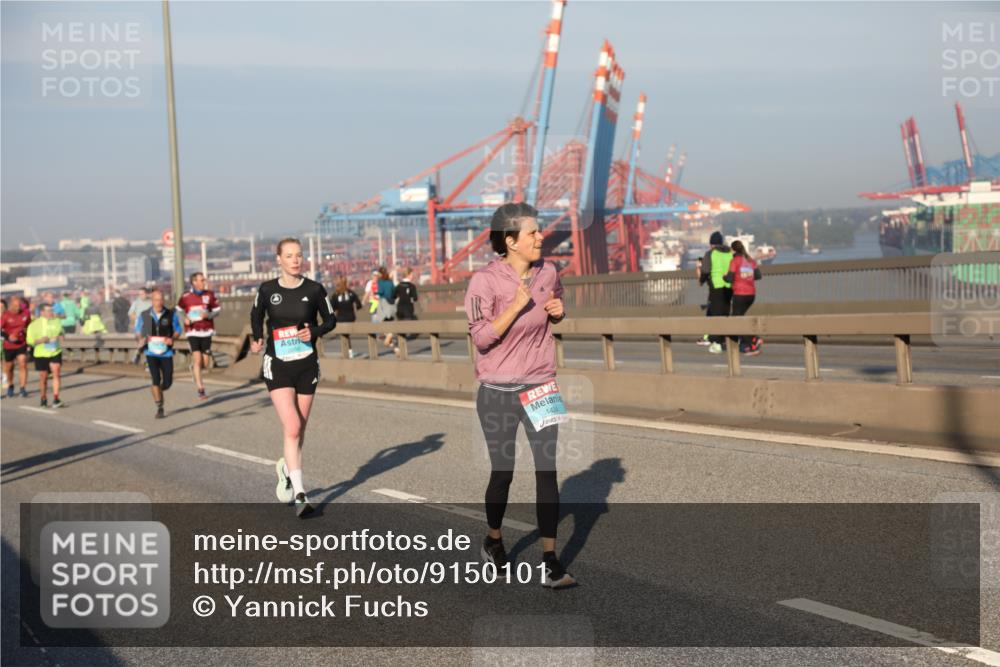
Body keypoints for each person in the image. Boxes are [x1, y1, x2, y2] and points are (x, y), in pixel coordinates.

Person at [464, 202, 574, 589]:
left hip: (541, 385)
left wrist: (559, 311)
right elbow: (481, 337)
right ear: (510, 242)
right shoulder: (484, 282)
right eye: (532, 233)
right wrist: (514, 307)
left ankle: (550, 559)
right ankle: (493, 539)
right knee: (503, 473)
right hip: (497, 392)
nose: (540, 237)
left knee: (548, 472)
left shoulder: (549, 272)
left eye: (538, 231)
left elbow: (555, 302)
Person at [250, 238, 337, 518]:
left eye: (299, 255)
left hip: (307, 365)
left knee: (300, 428)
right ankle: (301, 494)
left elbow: (331, 320)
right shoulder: (267, 289)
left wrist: (314, 332)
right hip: (277, 364)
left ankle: (286, 468)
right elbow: (256, 314)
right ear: (279, 259)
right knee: (292, 426)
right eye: (289, 256)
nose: (295, 260)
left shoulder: (314, 289)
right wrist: (257, 338)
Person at [135, 289, 183, 419]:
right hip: (151, 353)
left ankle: (158, 391)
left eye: (161, 300)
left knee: (167, 382)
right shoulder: (145, 315)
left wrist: (172, 338)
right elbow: (138, 331)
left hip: (166, 352)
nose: (159, 302)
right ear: (152, 301)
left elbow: (178, 330)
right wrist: (141, 339)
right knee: (155, 379)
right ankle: (159, 407)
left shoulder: (170, 314)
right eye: (156, 300)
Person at [178, 272, 222, 400]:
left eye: (204, 280)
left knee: (205, 363)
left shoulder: (209, 295)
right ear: (194, 282)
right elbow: (179, 310)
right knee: (198, 360)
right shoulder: (186, 296)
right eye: (201, 280)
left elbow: (217, 310)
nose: (204, 282)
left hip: (206, 331)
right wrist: (184, 319)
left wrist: (207, 315)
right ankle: (200, 389)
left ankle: (195, 369)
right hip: (192, 331)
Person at [724, 240, 763, 356]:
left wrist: (724, 277)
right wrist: (746, 277)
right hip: (751, 295)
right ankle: (747, 342)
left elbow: (729, 279)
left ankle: (752, 341)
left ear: (733, 250)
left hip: (740, 294)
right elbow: (758, 276)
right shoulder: (750, 260)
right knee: (740, 318)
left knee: (737, 320)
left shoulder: (735, 261)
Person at [698, 231, 734, 354]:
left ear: (711, 244)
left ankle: (718, 343)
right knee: (725, 313)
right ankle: (723, 340)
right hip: (729, 286)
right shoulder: (730, 253)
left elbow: (706, 270)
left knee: (716, 315)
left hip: (716, 286)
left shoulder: (710, 253)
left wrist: (701, 280)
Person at [26, 302, 65, 407]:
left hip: (55, 351)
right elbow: (29, 341)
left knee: (56, 372)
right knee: (43, 377)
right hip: (41, 353)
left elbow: (61, 332)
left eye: (52, 310)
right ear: (42, 312)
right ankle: (43, 398)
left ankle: (56, 399)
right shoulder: (34, 325)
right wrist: (41, 340)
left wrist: (61, 336)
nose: (51, 312)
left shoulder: (57, 321)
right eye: (48, 311)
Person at [1, 295, 31, 398]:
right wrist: (8, 336)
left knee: (22, 362)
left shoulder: (25, 314)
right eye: (16, 306)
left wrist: (28, 338)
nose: (18, 308)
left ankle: (23, 388)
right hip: (9, 345)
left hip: (21, 344)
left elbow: (29, 327)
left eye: (19, 306)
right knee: (9, 368)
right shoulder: (5, 316)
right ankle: (10, 385)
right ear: (11, 306)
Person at [331, 276, 362, 358]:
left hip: (341, 318)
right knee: (346, 335)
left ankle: (347, 351)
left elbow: (332, 308)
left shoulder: (336, 295)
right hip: (351, 317)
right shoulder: (351, 293)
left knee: (344, 335)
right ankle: (349, 351)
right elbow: (359, 305)